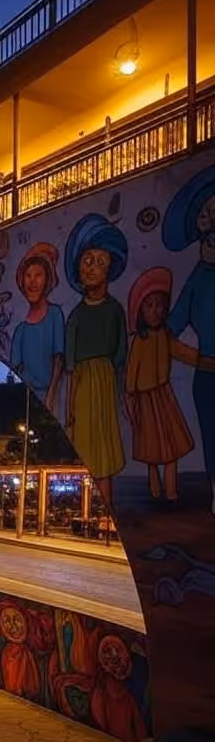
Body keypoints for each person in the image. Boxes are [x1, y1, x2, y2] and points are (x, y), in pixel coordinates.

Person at [64, 214, 128, 509]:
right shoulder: (76, 316)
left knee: (106, 448)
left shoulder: (115, 310)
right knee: (87, 447)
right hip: (84, 384)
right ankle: (90, 507)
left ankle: (107, 509)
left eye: (100, 262)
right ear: (78, 267)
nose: (92, 268)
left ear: (110, 269)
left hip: (105, 382)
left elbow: (120, 353)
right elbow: (70, 366)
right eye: (87, 260)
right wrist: (69, 408)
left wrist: (119, 390)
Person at [163, 165, 215, 514]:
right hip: (208, 375)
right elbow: (170, 329)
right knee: (211, 438)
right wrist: (196, 358)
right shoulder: (198, 278)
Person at [124, 267, 196, 500]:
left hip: (164, 398)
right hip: (144, 401)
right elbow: (131, 375)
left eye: (159, 305)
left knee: (172, 448)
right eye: (149, 305)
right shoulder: (139, 341)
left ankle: (172, 492)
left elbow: (184, 353)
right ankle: (156, 491)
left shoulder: (164, 336)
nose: (155, 311)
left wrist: (205, 359)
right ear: (141, 310)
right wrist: (130, 399)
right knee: (151, 452)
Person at [10, 243, 65, 411]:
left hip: (50, 398)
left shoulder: (55, 314)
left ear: (47, 280)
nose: (32, 282)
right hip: (27, 402)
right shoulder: (21, 330)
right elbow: (15, 372)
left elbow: (59, 360)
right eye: (28, 276)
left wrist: (50, 397)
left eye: (38, 275)